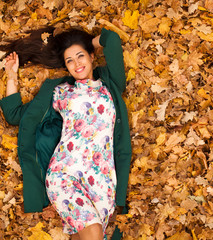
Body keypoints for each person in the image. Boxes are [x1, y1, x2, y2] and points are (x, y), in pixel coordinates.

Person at [0, 26, 132, 240]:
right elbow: (15, 115)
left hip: (102, 180)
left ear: (91, 56)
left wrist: (90, 43)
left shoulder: (110, 84)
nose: (77, 63)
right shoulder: (61, 92)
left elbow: (112, 39)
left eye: (80, 56)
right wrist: (11, 75)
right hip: (65, 173)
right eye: (70, 60)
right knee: (94, 233)